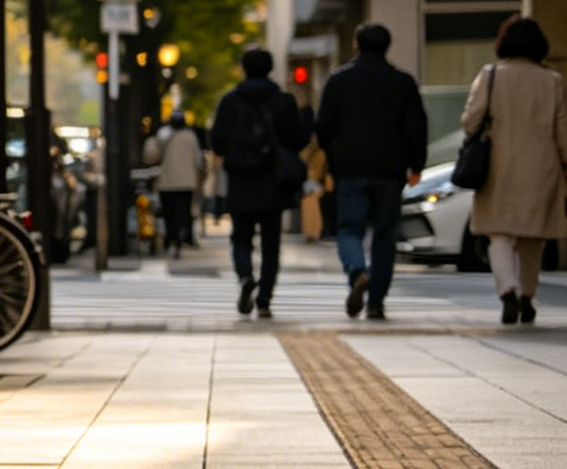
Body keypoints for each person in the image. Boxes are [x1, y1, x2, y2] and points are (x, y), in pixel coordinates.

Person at [314, 21, 431, 320]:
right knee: (385, 235)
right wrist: (416, 165)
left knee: (349, 229)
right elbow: (416, 127)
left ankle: (357, 272)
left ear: (356, 44)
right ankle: (376, 301)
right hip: (390, 171)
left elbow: (324, 127)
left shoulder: (339, 81)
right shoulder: (402, 82)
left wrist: (332, 153)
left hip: (350, 167)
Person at [459, 16, 567, 324]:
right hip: (541, 167)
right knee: (532, 238)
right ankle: (526, 296)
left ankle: (507, 290)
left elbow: (470, 121)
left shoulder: (491, 75)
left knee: (499, 234)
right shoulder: (553, 80)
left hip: (499, 165)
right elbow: (562, 132)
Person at [208, 49, 311, 318]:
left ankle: (245, 276)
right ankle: (265, 297)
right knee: (271, 241)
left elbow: (217, 140)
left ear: (243, 68)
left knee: (240, 236)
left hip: (241, 178)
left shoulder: (230, 101)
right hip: (273, 179)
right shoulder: (283, 101)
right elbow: (298, 140)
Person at [142, 110, 208, 255]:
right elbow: (198, 159)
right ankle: (179, 239)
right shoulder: (190, 137)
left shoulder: (164, 135)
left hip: (166, 181)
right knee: (183, 211)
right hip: (186, 181)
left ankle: (171, 239)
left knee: (168, 212)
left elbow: (152, 156)